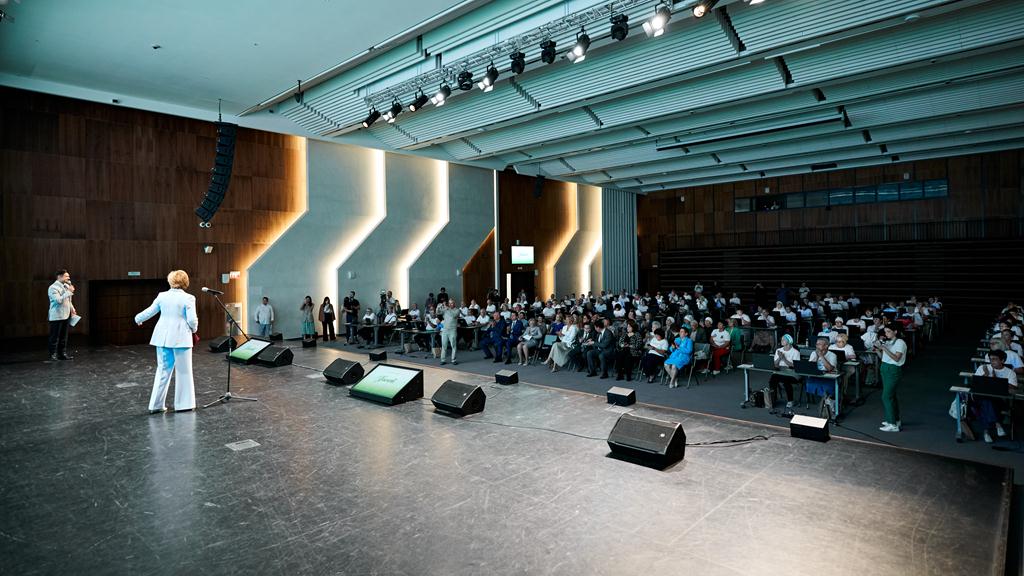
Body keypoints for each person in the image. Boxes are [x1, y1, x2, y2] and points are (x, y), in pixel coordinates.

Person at [134, 270, 198, 413]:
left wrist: (138, 318)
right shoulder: (189, 298)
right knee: (184, 371)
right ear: (185, 282)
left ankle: (155, 406)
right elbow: (192, 320)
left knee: (162, 370)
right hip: (181, 338)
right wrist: (194, 330)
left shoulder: (162, 296)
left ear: (170, 281)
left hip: (162, 338)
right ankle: (184, 405)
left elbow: (150, 311)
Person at [973, 350, 1018, 443]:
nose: (992, 361)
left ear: (1002, 360)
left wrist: (996, 380)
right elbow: (976, 384)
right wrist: (985, 376)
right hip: (981, 397)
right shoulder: (983, 368)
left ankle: (986, 432)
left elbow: (1013, 387)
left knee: (987, 402)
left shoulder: (1010, 372)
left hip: (1000, 400)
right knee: (986, 400)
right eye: (990, 359)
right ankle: (998, 424)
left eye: (995, 359)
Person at [875, 324, 907, 432]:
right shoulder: (888, 342)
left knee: (886, 396)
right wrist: (878, 349)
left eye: (888, 331)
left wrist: (884, 348)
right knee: (891, 396)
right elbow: (884, 357)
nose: (886, 334)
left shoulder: (900, 342)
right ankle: (895, 419)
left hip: (893, 370)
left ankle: (892, 424)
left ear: (895, 331)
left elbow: (897, 358)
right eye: (885, 332)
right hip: (885, 368)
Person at [47, 269, 77, 361]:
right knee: (55, 337)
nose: (69, 278)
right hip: (56, 316)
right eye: (66, 276)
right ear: (59, 277)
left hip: (66, 314)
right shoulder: (53, 287)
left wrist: (72, 308)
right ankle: (53, 354)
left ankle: (62, 354)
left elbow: (68, 300)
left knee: (64, 337)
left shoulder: (66, 286)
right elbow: (58, 300)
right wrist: (69, 291)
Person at [769, 334, 801, 410]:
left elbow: (795, 366)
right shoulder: (778, 350)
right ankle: (773, 398)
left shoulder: (795, 352)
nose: (781, 341)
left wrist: (783, 358)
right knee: (773, 378)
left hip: (792, 372)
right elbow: (775, 364)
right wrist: (779, 358)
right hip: (781, 370)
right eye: (781, 339)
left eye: (784, 340)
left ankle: (790, 400)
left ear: (789, 341)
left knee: (786, 380)